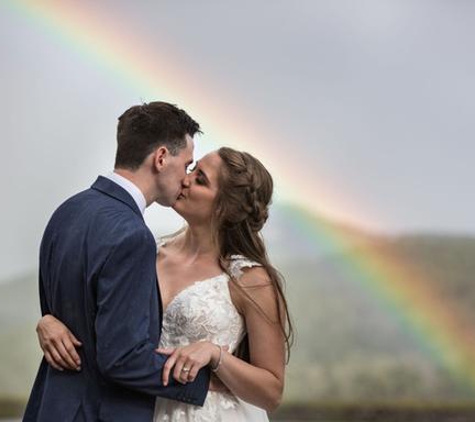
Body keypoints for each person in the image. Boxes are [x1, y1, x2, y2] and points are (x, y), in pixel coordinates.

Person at [36, 147, 293, 421]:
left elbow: (271, 392)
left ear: (225, 208)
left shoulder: (250, 279)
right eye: (192, 169)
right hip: (137, 408)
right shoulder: (148, 253)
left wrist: (216, 355)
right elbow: (104, 325)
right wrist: (50, 320)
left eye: (201, 179)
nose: (185, 179)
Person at [23, 101, 211, 422]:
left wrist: (46, 321)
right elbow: (121, 359)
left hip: (50, 408)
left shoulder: (67, 211)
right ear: (161, 157)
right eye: (187, 164)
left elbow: (57, 313)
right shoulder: (133, 237)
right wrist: (209, 383)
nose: (186, 178)